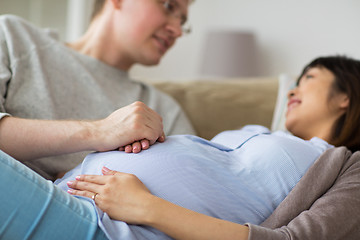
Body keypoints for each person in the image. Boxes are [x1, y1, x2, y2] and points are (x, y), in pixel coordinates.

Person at [0, 55, 359, 240]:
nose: (293, 90)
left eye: (308, 78)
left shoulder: (349, 167)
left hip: (109, 230)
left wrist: (146, 206)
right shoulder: (259, 131)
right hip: (69, 197)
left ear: (346, 95)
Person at [0, 0, 195, 181]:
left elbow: (193, 185)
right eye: (169, 6)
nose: (177, 31)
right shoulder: (13, 36)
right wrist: (100, 131)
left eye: (182, 21)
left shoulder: (164, 109)